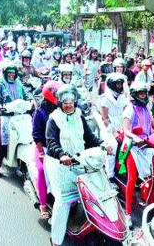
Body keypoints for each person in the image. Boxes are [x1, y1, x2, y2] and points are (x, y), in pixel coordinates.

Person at [45, 84, 107, 246]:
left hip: (80, 161)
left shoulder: (79, 115)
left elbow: (89, 136)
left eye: (71, 101)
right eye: (65, 101)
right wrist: (61, 154)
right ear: (60, 102)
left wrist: (102, 144)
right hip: (61, 166)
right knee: (63, 203)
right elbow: (51, 142)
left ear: (75, 101)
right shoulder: (54, 118)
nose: (68, 104)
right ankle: (55, 240)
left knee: (96, 193)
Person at [119, 82, 154, 225]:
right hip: (133, 147)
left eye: (145, 94)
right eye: (141, 94)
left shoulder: (146, 108)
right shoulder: (130, 109)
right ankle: (128, 213)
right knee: (132, 178)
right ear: (135, 95)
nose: (144, 96)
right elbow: (126, 130)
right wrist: (134, 137)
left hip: (147, 145)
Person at [32, 81, 61, 220]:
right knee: (42, 171)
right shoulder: (40, 112)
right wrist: (42, 153)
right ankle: (43, 204)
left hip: (58, 147)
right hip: (42, 146)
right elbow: (36, 135)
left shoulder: (61, 109)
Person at [0, 62, 26, 178]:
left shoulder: (19, 83)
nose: (11, 75)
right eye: (9, 73)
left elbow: (26, 96)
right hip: (6, 115)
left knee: (25, 138)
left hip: (19, 115)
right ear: (5, 73)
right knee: (2, 141)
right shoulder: (1, 84)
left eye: (13, 73)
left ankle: (19, 164)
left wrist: (31, 101)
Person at [100, 73, 128, 181]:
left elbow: (126, 114)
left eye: (121, 84)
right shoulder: (105, 98)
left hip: (122, 126)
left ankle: (124, 170)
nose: (119, 86)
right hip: (109, 129)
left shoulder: (123, 97)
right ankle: (110, 175)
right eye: (117, 84)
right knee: (113, 147)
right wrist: (114, 132)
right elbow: (105, 119)